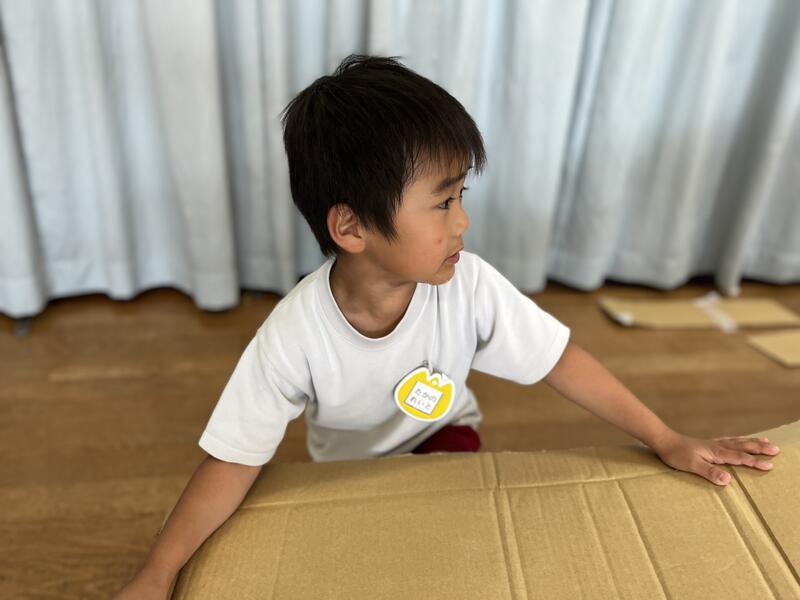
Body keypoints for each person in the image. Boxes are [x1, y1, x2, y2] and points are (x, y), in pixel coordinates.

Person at [114, 55, 780, 599]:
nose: (462, 221)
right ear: (351, 227)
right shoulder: (293, 335)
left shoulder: (469, 284)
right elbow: (233, 458)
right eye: (441, 202)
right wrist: (157, 573)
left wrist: (665, 439)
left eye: (462, 195)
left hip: (445, 440)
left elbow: (559, 359)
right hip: (345, 473)